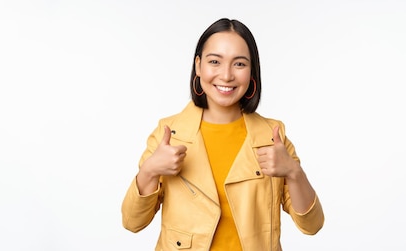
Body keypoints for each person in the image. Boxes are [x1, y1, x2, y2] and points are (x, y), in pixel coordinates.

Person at [121, 18, 324, 251]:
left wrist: (293, 171)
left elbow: (312, 225)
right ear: (198, 66)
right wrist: (150, 170)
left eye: (239, 64)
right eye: (215, 61)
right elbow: (132, 222)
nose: (226, 75)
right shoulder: (168, 134)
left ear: (252, 71)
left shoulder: (272, 136)